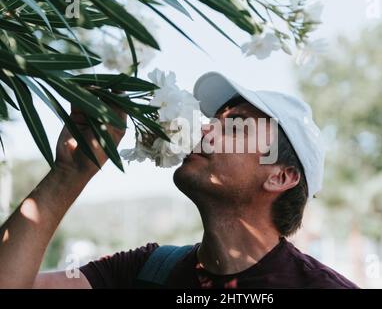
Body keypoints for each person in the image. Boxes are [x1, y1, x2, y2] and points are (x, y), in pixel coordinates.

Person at [0, 72, 358, 289]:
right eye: (214, 119)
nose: (205, 128)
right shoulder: (145, 271)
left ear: (281, 176)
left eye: (236, 125)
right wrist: (69, 173)